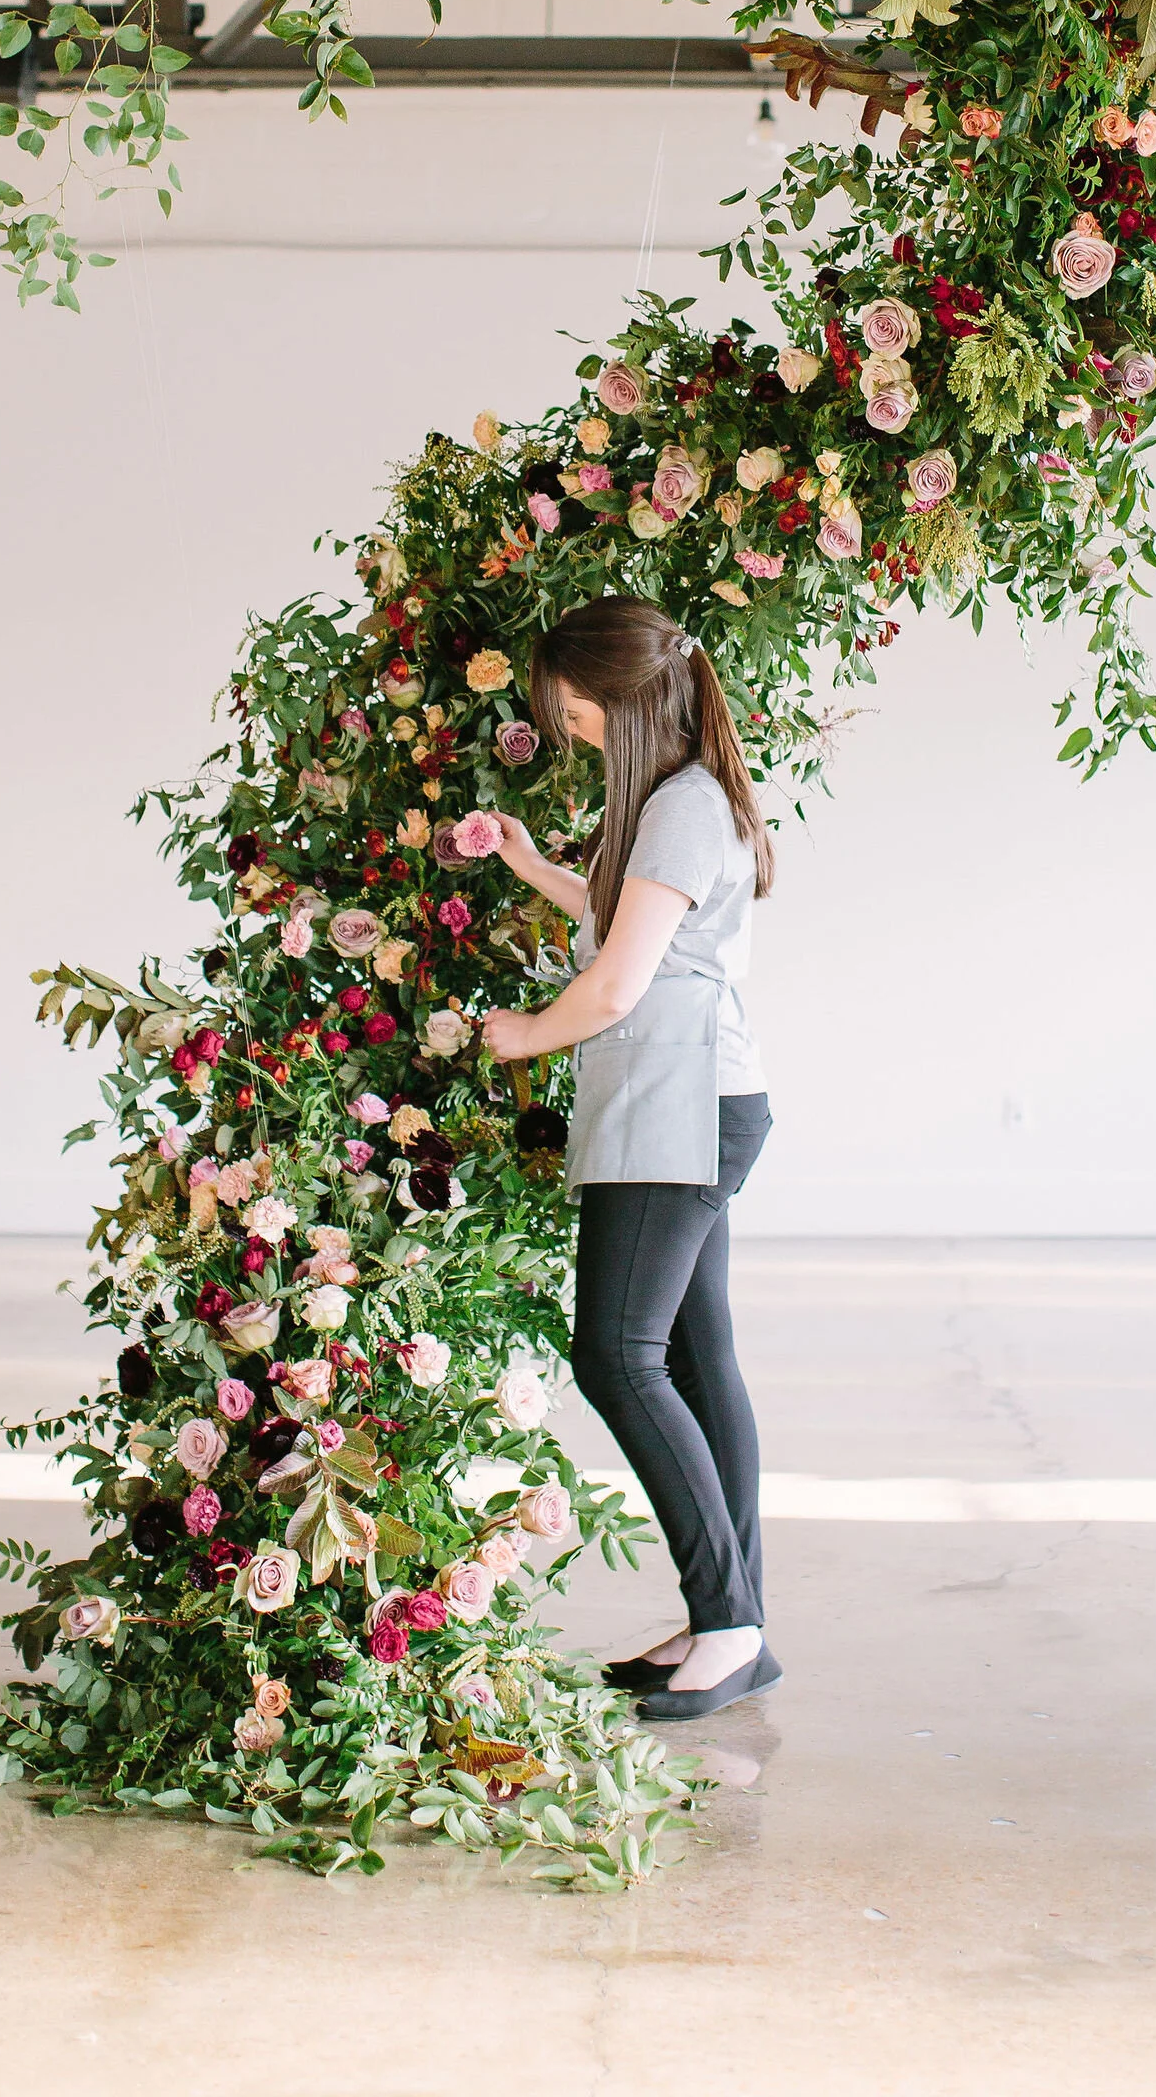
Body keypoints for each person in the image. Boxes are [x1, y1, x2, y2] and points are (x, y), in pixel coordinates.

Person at [480, 595, 780, 1722]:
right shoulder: (681, 801)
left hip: (676, 1108)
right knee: (696, 1366)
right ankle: (732, 1617)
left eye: (571, 709)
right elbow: (630, 926)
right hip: (687, 1102)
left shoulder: (682, 807)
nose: (567, 728)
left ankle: (728, 1623)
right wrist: (535, 871)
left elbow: (614, 985)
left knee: (615, 1355)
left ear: (617, 695)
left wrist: (514, 1034)